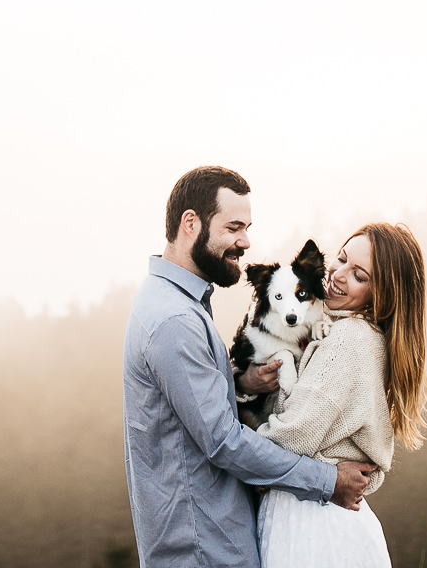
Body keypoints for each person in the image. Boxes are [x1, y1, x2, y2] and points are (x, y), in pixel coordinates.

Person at [124, 166, 378, 568]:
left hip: (211, 538)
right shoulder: (175, 321)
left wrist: (242, 382)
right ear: (191, 223)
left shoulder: (176, 304)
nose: (245, 241)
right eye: (234, 227)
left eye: (247, 227)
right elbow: (223, 441)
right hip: (204, 547)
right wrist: (328, 481)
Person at [253, 223, 427, 568]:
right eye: (342, 258)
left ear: (383, 295)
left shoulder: (349, 339)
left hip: (313, 525)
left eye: (359, 275)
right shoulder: (346, 332)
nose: (338, 275)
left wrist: (225, 441)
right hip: (324, 518)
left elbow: (290, 439)